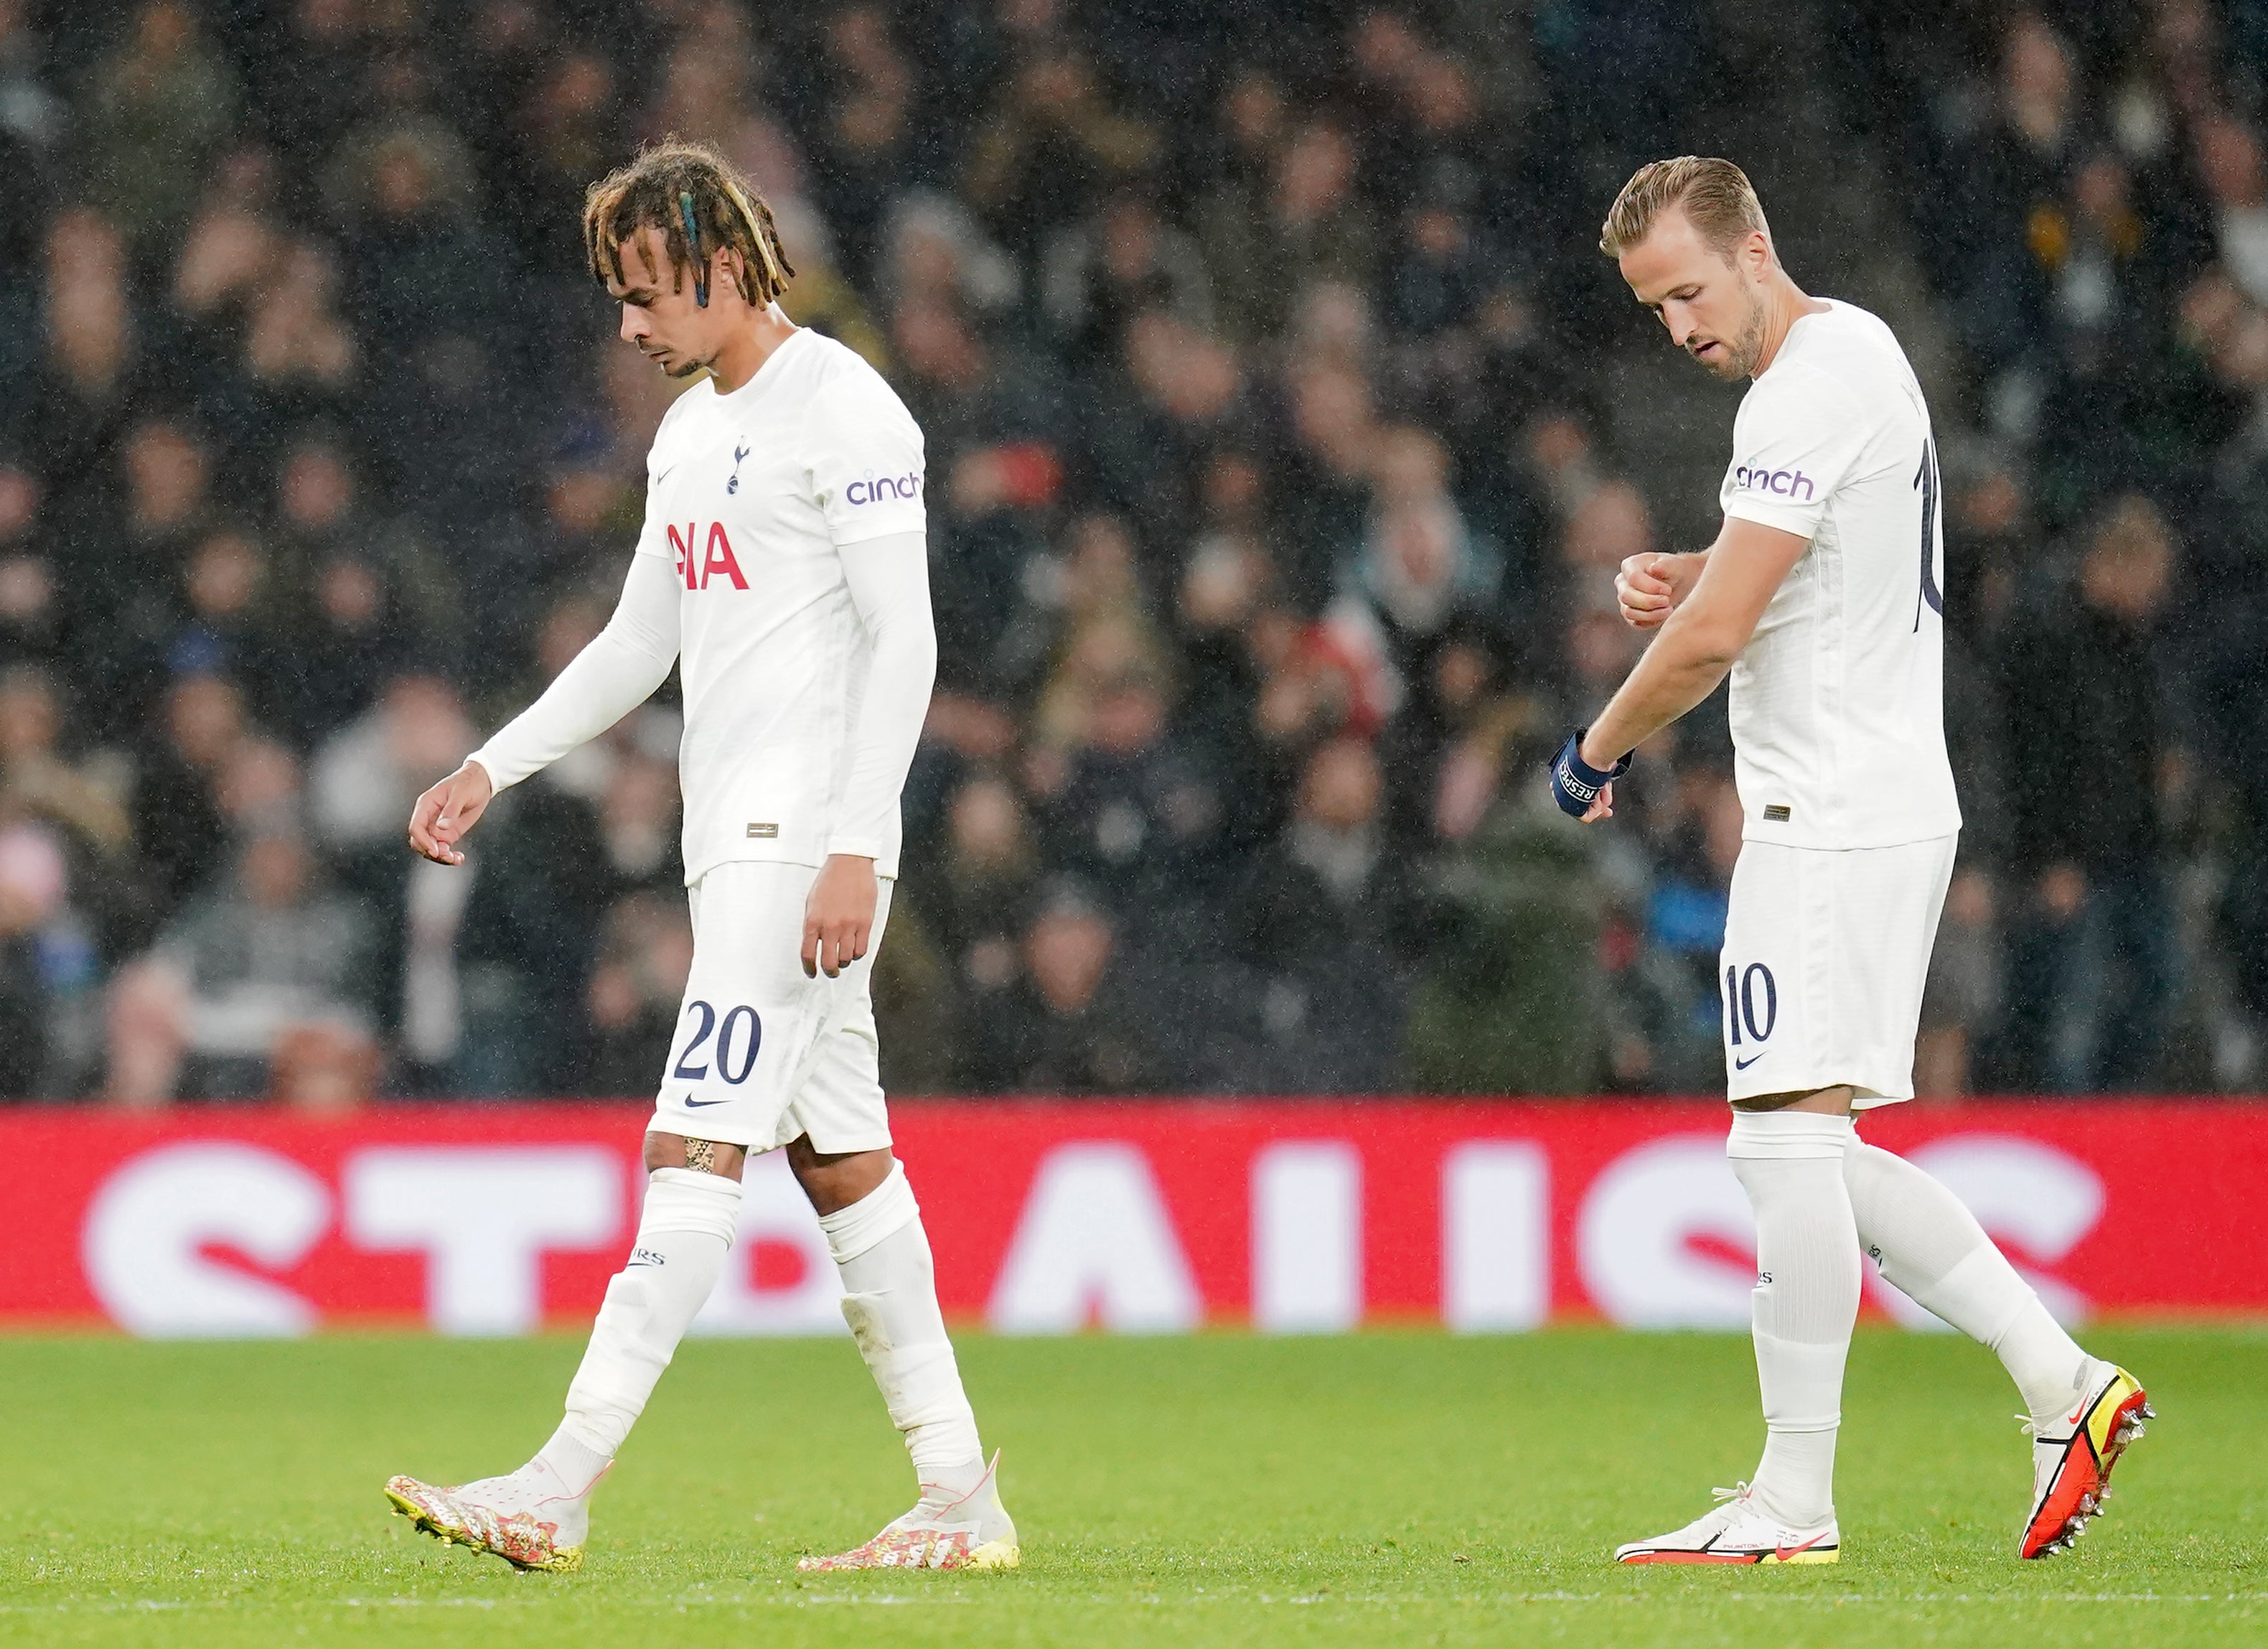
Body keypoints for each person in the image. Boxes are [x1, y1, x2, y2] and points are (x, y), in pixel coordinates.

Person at [383, 140, 1015, 1576]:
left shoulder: (844, 409)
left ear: (725, 269)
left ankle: (559, 1480)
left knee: (691, 1139)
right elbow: (637, 642)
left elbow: (907, 641)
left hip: (797, 843)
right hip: (728, 834)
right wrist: (496, 762)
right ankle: (958, 1495)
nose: (628, 325)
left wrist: (855, 847)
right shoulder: (686, 433)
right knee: (841, 1159)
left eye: (647, 294)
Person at [1555, 158, 2149, 1566]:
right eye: (1652, 309)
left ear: (1754, 245)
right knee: (1808, 1150)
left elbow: (1712, 646)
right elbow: (1811, 578)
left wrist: (1593, 748)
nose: (1678, 328)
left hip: (1820, 814)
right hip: (1872, 801)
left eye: (1688, 291)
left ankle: (1794, 1499)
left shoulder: (1799, 387)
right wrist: (1698, 565)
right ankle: (2060, 1386)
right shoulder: (1858, 349)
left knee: (1775, 1147)